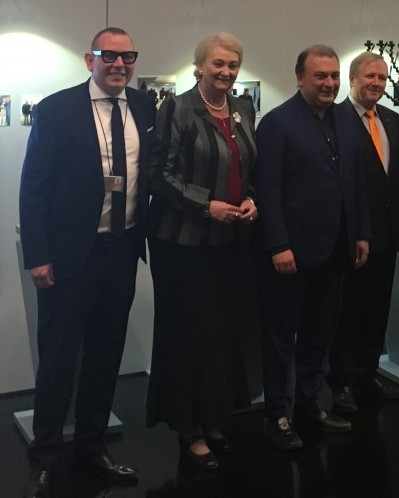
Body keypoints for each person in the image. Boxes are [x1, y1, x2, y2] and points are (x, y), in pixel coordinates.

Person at [18, 27, 154, 497]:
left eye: (127, 56)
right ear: (89, 59)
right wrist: (37, 255)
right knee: (59, 358)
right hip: (70, 256)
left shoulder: (145, 107)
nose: (118, 64)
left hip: (121, 250)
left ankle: (93, 447)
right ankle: (45, 457)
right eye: (108, 55)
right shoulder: (56, 109)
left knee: (105, 353)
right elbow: (34, 186)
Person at [146, 32, 256, 470]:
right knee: (186, 337)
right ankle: (188, 428)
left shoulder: (244, 109)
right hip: (182, 245)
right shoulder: (177, 108)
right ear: (199, 67)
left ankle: (213, 420)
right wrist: (206, 206)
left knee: (221, 336)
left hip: (229, 244)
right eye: (218, 64)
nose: (226, 71)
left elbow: (250, 169)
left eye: (232, 65)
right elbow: (159, 176)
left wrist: (252, 199)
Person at [254, 44, 370, 450]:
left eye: (334, 75)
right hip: (290, 254)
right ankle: (278, 415)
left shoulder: (346, 119)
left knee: (320, 335)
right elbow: (267, 189)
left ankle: (309, 406)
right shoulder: (277, 123)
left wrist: (360, 232)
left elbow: (355, 181)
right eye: (320, 75)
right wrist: (278, 244)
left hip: (335, 249)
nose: (329, 83)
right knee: (281, 338)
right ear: (300, 77)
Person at [328, 52, 399, 413]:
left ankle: (367, 375)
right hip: (353, 235)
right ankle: (341, 383)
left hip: (387, 232)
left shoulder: (391, 119)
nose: (376, 83)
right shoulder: (335, 119)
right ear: (352, 79)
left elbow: (398, 175)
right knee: (347, 311)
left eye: (382, 78)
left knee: (377, 309)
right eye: (370, 76)